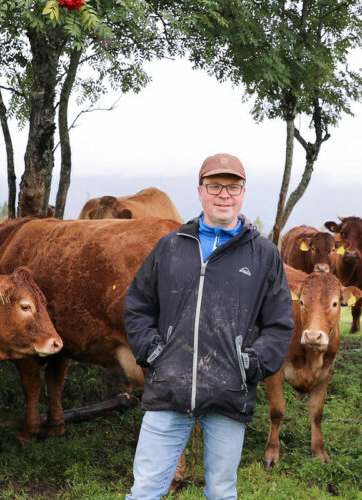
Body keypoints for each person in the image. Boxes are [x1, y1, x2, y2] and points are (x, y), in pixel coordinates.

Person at [124, 153, 294, 499]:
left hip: (228, 393)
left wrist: (250, 364)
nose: (224, 195)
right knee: (144, 490)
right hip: (168, 391)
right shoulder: (171, 247)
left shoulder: (263, 255)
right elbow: (137, 306)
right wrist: (155, 352)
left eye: (233, 187)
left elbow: (279, 324)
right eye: (214, 186)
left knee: (220, 491)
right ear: (200, 192)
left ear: (243, 193)